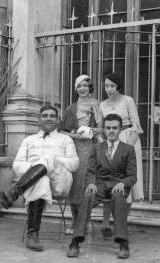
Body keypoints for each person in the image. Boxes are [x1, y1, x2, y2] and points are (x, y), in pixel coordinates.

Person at [0, 105, 79, 251]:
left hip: (60, 182)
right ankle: (33, 236)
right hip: (37, 183)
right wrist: (39, 168)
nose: (48, 118)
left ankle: (15, 192)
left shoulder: (66, 139)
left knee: (48, 158)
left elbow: (74, 164)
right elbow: (17, 165)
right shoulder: (29, 140)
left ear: (57, 120)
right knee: (42, 180)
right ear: (39, 119)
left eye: (52, 116)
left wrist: (53, 162)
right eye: (45, 116)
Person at [67, 114, 137, 259]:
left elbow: (132, 176)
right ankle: (76, 241)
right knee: (87, 195)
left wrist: (123, 183)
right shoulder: (97, 148)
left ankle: (123, 243)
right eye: (108, 128)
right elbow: (90, 171)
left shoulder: (128, 149)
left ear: (121, 129)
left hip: (118, 185)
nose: (111, 131)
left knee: (118, 197)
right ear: (104, 129)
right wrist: (91, 182)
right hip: (100, 185)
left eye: (115, 128)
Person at [99, 72, 144, 237]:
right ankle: (105, 224)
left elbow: (137, 126)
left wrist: (126, 149)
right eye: (106, 86)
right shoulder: (102, 105)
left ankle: (121, 223)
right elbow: (101, 128)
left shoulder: (128, 100)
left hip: (129, 139)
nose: (109, 89)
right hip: (111, 140)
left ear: (118, 87)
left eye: (112, 86)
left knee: (126, 184)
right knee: (108, 179)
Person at [60, 74, 102, 235]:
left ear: (90, 87)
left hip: (90, 149)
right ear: (76, 88)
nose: (83, 88)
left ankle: (82, 221)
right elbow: (62, 130)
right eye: (79, 86)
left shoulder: (95, 105)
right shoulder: (71, 108)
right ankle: (74, 220)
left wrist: (90, 131)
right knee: (74, 185)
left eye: (86, 85)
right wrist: (76, 136)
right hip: (73, 148)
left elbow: (101, 128)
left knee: (85, 185)